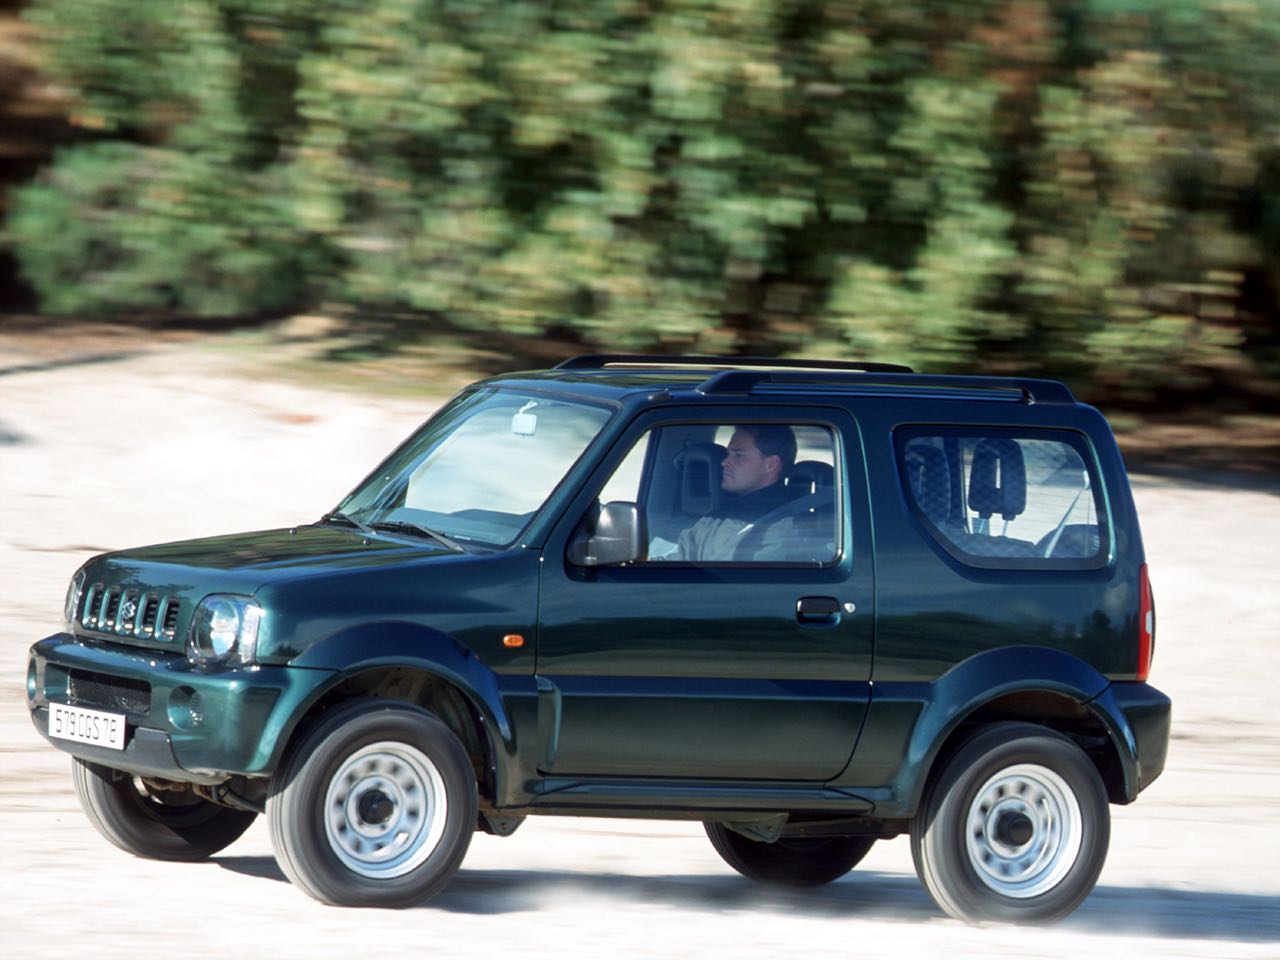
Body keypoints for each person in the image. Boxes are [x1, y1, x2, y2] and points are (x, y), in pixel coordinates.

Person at [665, 424, 799, 562]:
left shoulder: (783, 526)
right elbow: (674, 562)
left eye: (738, 455)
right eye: (728, 454)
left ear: (771, 464)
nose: (724, 462)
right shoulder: (717, 515)